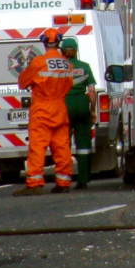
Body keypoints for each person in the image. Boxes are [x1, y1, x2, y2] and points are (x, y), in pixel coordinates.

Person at [14, 28, 74, 195]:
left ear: (44, 42)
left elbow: (23, 81)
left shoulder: (39, 62)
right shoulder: (66, 64)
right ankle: (63, 182)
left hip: (42, 109)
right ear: (59, 42)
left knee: (38, 147)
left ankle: (35, 183)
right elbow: (69, 84)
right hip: (60, 108)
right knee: (62, 147)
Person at [61, 39, 97, 190]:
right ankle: (83, 179)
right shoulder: (85, 67)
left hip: (64, 106)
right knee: (84, 146)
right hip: (82, 105)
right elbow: (92, 92)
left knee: (63, 144)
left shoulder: (58, 68)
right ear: (76, 50)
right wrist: (92, 110)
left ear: (62, 52)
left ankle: (64, 179)